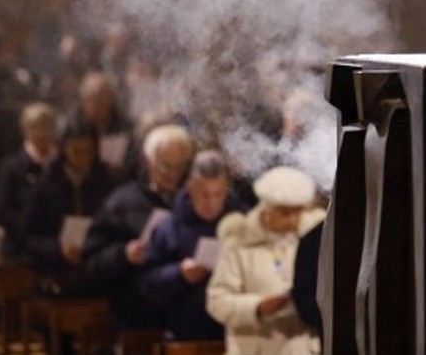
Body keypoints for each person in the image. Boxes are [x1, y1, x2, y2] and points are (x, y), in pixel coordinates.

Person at [82, 123, 195, 333]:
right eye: (166, 166)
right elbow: (92, 264)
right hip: (139, 317)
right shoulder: (123, 202)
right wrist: (124, 254)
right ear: (150, 162)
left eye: (179, 167)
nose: (173, 174)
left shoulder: (195, 199)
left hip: (186, 315)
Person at [206, 165, 325, 355]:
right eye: (284, 213)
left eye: (297, 212)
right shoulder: (239, 242)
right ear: (266, 207)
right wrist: (257, 307)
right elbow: (217, 301)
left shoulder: (314, 239)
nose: (292, 220)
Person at [139, 150, 248, 342]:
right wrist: (179, 274)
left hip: (235, 333)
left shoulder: (243, 224)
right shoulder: (168, 227)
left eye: (218, 194)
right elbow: (147, 283)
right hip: (186, 334)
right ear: (189, 188)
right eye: (204, 194)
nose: (212, 202)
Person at [20, 125, 114, 296]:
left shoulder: (105, 182)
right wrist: (58, 248)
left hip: (96, 268)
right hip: (55, 270)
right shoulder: (45, 184)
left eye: (89, 152)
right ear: (65, 149)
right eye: (77, 151)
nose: (83, 158)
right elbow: (28, 236)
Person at [0, 102, 61, 263]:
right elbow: (2, 212)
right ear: (26, 130)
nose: (43, 133)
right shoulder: (11, 167)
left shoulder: (61, 164)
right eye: (36, 127)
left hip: (58, 247)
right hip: (22, 249)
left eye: (48, 126)